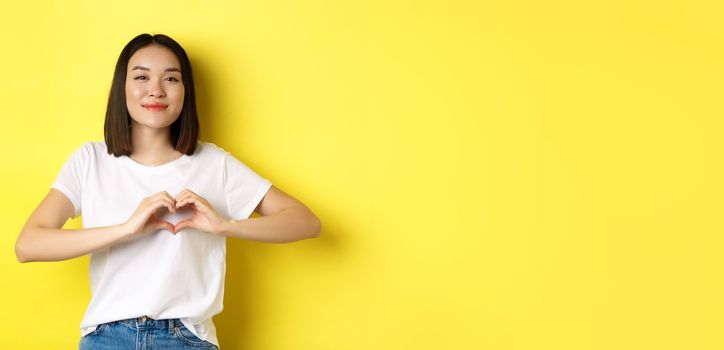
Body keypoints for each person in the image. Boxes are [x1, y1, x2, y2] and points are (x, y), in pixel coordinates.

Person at [14, 33, 322, 350]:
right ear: (122, 88)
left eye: (171, 78)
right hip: (106, 338)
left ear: (185, 91)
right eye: (142, 77)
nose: (156, 90)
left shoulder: (214, 163)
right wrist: (125, 229)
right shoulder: (91, 160)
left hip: (187, 339)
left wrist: (224, 226)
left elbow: (306, 222)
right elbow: (29, 245)